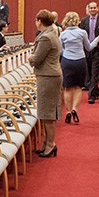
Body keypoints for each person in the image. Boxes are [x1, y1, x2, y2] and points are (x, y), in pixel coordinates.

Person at [29, 9, 62, 157]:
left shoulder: (46, 38)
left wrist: (31, 58)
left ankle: (50, 144)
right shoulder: (51, 33)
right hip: (49, 75)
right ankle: (46, 143)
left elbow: (36, 59)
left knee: (48, 114)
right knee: (46, 112)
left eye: (36, 20)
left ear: (40, 21)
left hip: (48, 76)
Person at [58, 12, 99, 125]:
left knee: (67, 88)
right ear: (77, 21)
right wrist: (97, 39)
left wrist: (66, 52)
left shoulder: (63, 34)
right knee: (78, 87)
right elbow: (89, 47)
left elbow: (59, 50)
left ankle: (67, 111)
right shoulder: (82, 33)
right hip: (80, 61)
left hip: (67, 61)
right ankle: (74, 109)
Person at [79, 2, 99, 104]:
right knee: (89, 72)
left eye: (94, 8)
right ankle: (96, 91)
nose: (92, 9)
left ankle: (91, 96)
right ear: (88, 9)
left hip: (98, 49)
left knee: (95, 72)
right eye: (91, 8)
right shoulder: (84, 20)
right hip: (87, 49)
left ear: (98, 8)